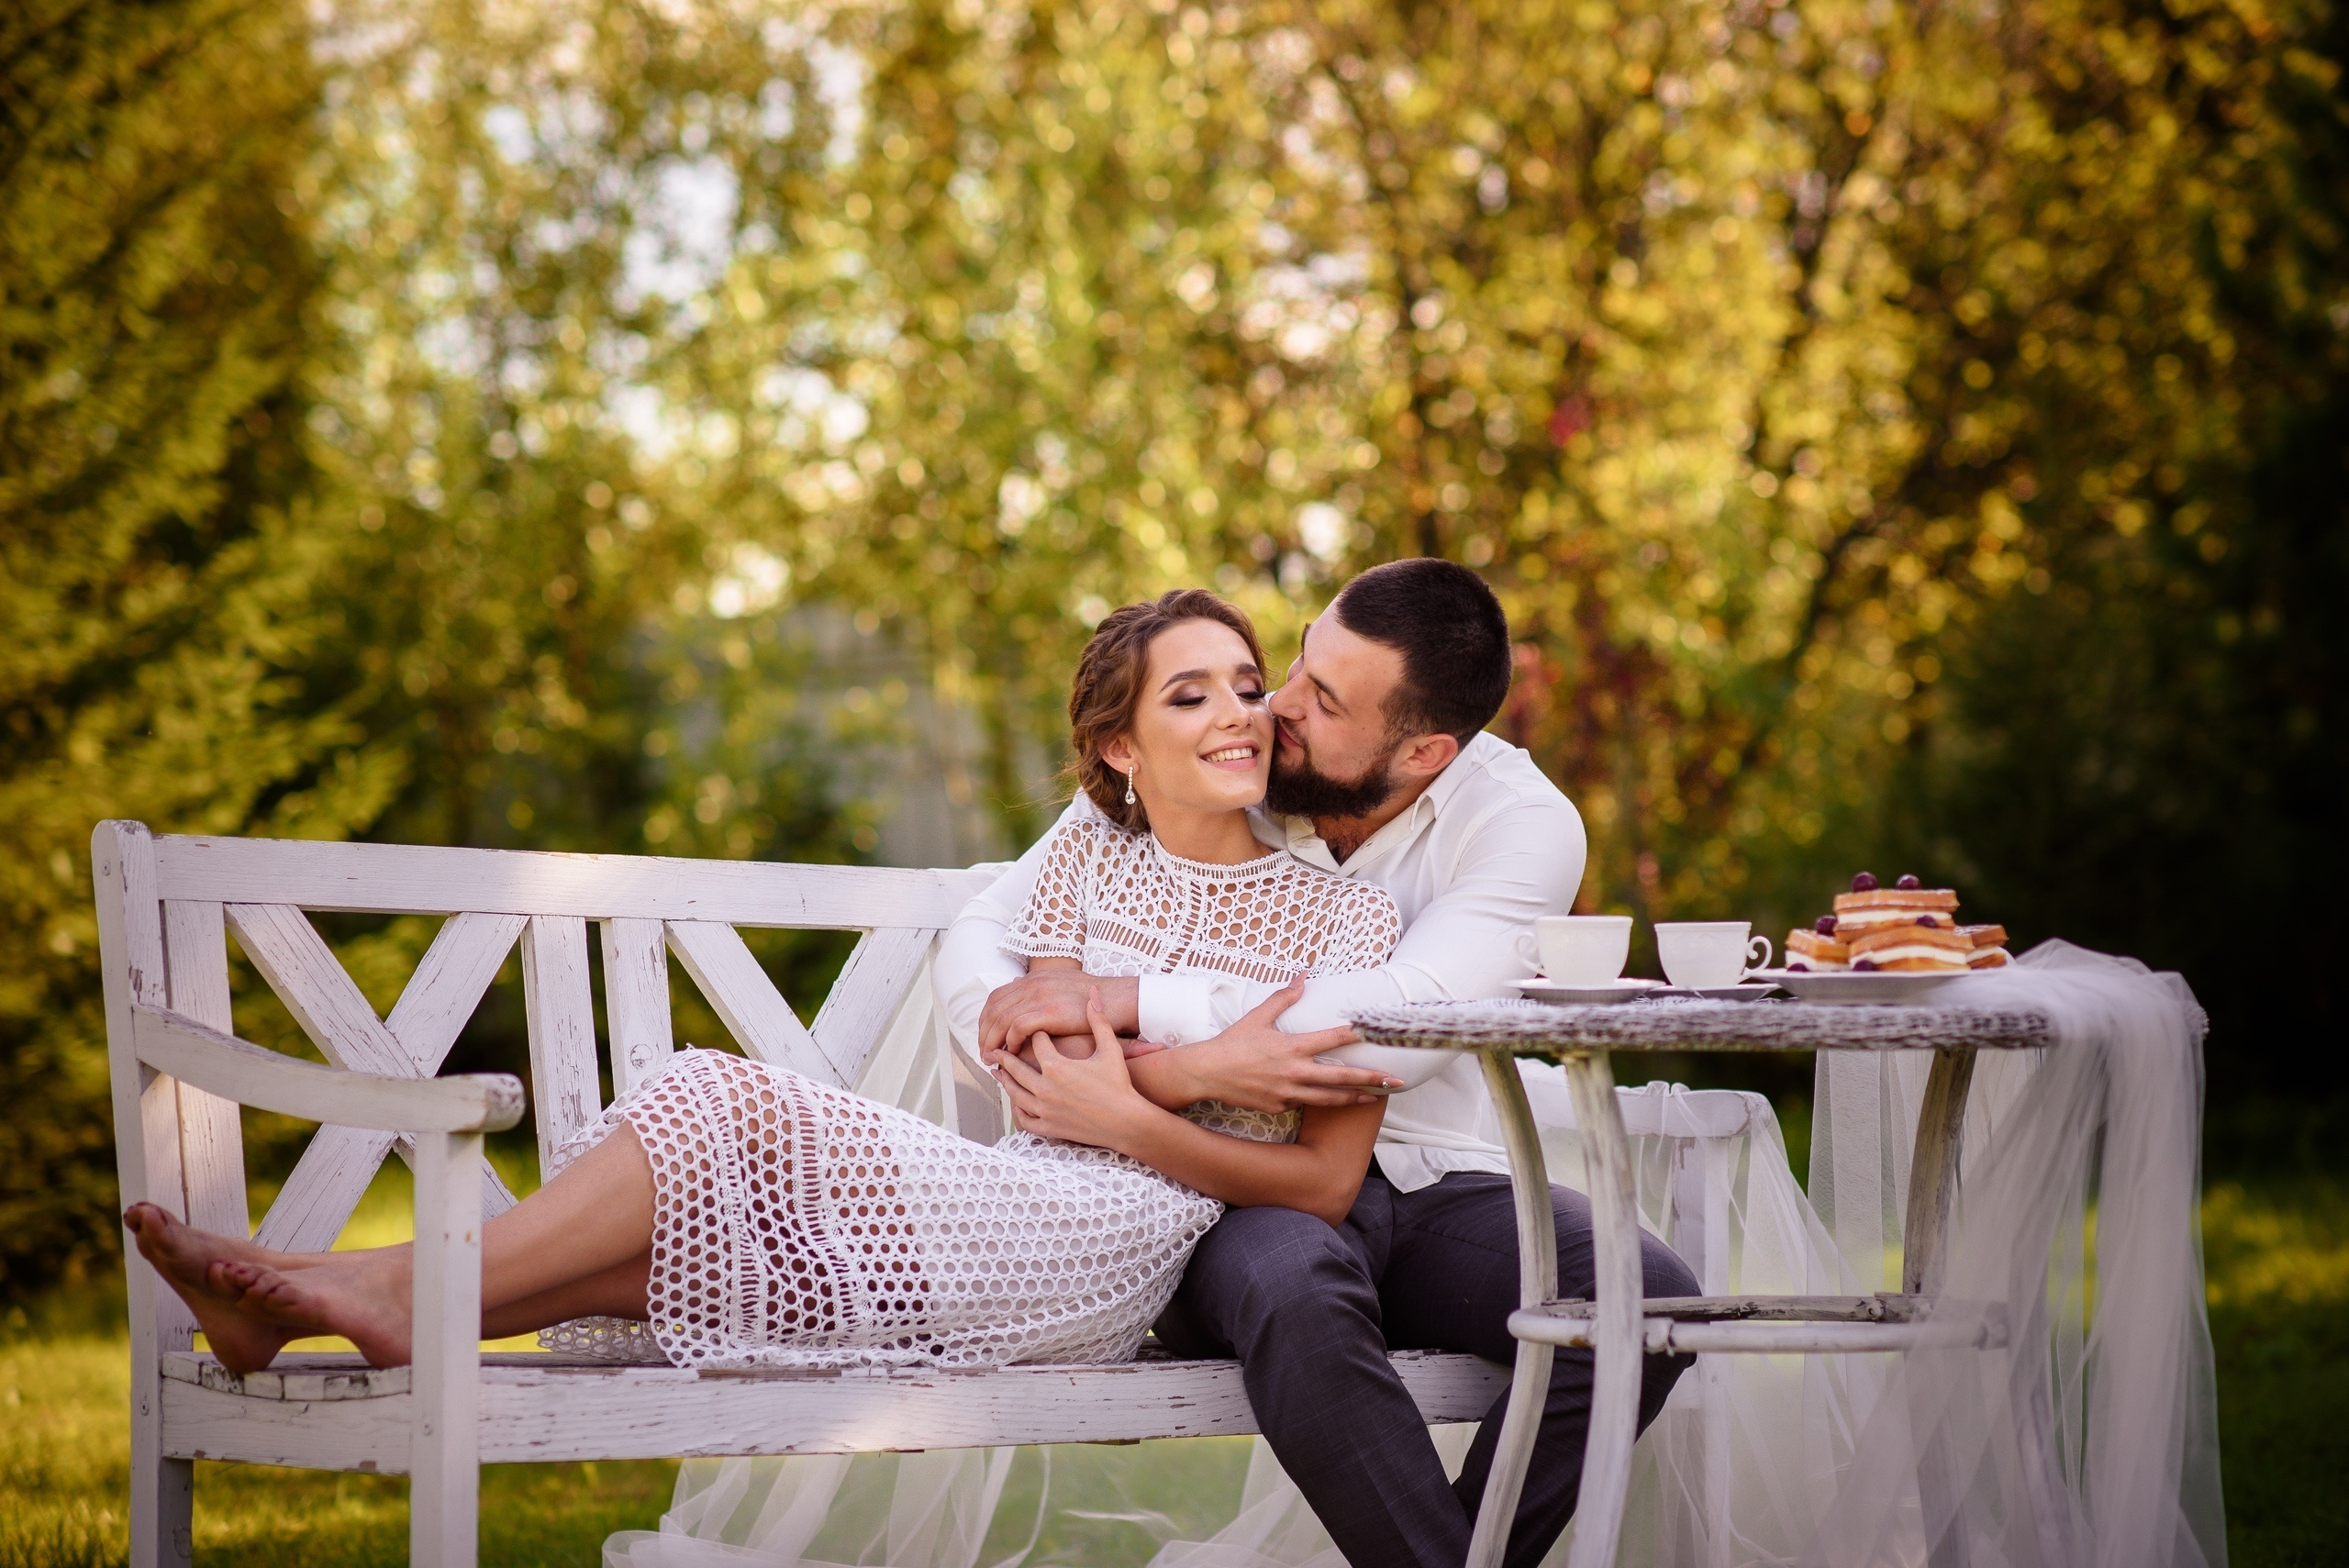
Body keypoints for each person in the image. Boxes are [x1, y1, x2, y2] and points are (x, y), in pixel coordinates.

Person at [120, 589, 1405, 1378]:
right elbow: (1036, 1074)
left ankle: (370, 1288)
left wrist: (1136, 1106)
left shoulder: (1343, 913)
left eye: (1248, 684)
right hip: (1027, 1191)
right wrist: (1189, 1069)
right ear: (1122, 747)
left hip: (1124, 1244)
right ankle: (358, 1306)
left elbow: (1321, 1180)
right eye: (1194, 696)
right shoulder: (1078, 854)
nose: (1242, 711)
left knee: (722, 1103)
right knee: (693, 1216)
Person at [937, 558, 1700, 1568]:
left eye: (1321, 697)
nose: (1274, 705)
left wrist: (1141, 1033)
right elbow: (988, 933)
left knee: (1642, 1293)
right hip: (1214, 1192)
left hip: (1417, 1174)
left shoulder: (1519, 826)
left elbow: (1392, 1030)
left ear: (1422, 749)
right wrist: (1044, 1062)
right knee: (1295, 1280)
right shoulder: (1231, 755)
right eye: (1294, 663)